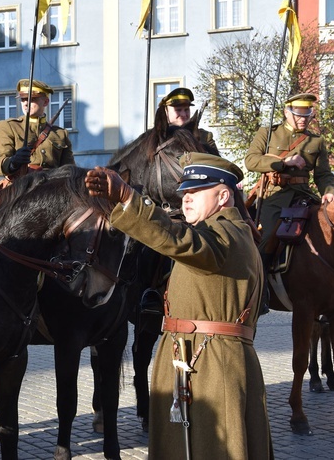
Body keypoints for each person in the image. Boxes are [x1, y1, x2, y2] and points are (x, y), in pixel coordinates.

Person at [85, 152, 272, 459]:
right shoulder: (226, 230)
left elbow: (180, 240)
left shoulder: (225, 233)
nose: (186, 199)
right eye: (184, 192)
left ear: (224, 195)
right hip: (202, 359)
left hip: (211, 366)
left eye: (196, 192)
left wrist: (128, 198)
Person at [244, 93, 334, 312]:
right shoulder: (268, 133)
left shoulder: (316, 141)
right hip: (275, 195)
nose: (303, 118)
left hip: (304, 195)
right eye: (299, 113)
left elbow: (323, 174)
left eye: (307, 113)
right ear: (287, 112)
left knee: (330, 229)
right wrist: (283, 162)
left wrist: (329, 192)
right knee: (266, 236)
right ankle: (259, 290)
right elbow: (251, 161)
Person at [0, 79, 74, 183]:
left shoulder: (60, 134)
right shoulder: (9, 127)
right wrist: (13, 162)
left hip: (53, 190)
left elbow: (70, 170)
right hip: (22, 188)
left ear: (46, 102)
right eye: (23, 99)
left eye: (32, 99)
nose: (26, 103)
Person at [154, 87, 219, 155]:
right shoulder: (156, 138)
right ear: (165, 112)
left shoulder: (204, 136)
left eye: (186, 110)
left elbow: (217, 162)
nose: (184, 114)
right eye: (178, 110)